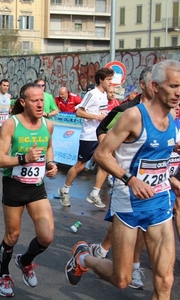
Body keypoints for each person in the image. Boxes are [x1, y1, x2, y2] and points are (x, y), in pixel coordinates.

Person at [65, 60, 180, 300]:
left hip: (159, 204)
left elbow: (158, 160)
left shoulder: (172, 119)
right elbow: (101, 154)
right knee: (121, 279)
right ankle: (83, 257)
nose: (178, 93)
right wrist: (130, 180)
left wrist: (169, 175)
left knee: (165, 280)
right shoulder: (133, 115)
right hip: (129, 203)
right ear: (155, 86)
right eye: (173, 86)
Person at [88, 66, 154, 290]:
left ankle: (126, 262)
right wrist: (114, 154)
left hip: (155, 184)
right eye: (157, 84)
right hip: (126, 179)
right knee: (124, 226)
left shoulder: (166, 112)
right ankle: (101, 253)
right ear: (144, 86)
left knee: (142, 229)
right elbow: (102, 129)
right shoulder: (127, 110)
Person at [0, 83, 58, 297]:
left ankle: (25, 260)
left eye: (42, 100)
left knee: (46, 237)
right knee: (12, 236)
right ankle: (3, 274)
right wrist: (23, 159)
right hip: (14, 186)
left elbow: (48, 146)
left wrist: (50, 164)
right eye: (34, 100)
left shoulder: (47, 125)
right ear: (23, 102)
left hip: (37, 187)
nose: (40, 104)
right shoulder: (11, 125)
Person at [57, 67, 114, 207]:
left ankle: (94, 193)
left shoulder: (105, 95)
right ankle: (65, 190)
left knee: (105, 164)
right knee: (80, 166)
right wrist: (97, 117)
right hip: (88, 136)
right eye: (108, 79)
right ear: (101, 79)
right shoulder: (92, 94)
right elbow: (79, 113)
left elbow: (102, 112)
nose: (110, 83)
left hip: (101, 134)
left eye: (111, 79)